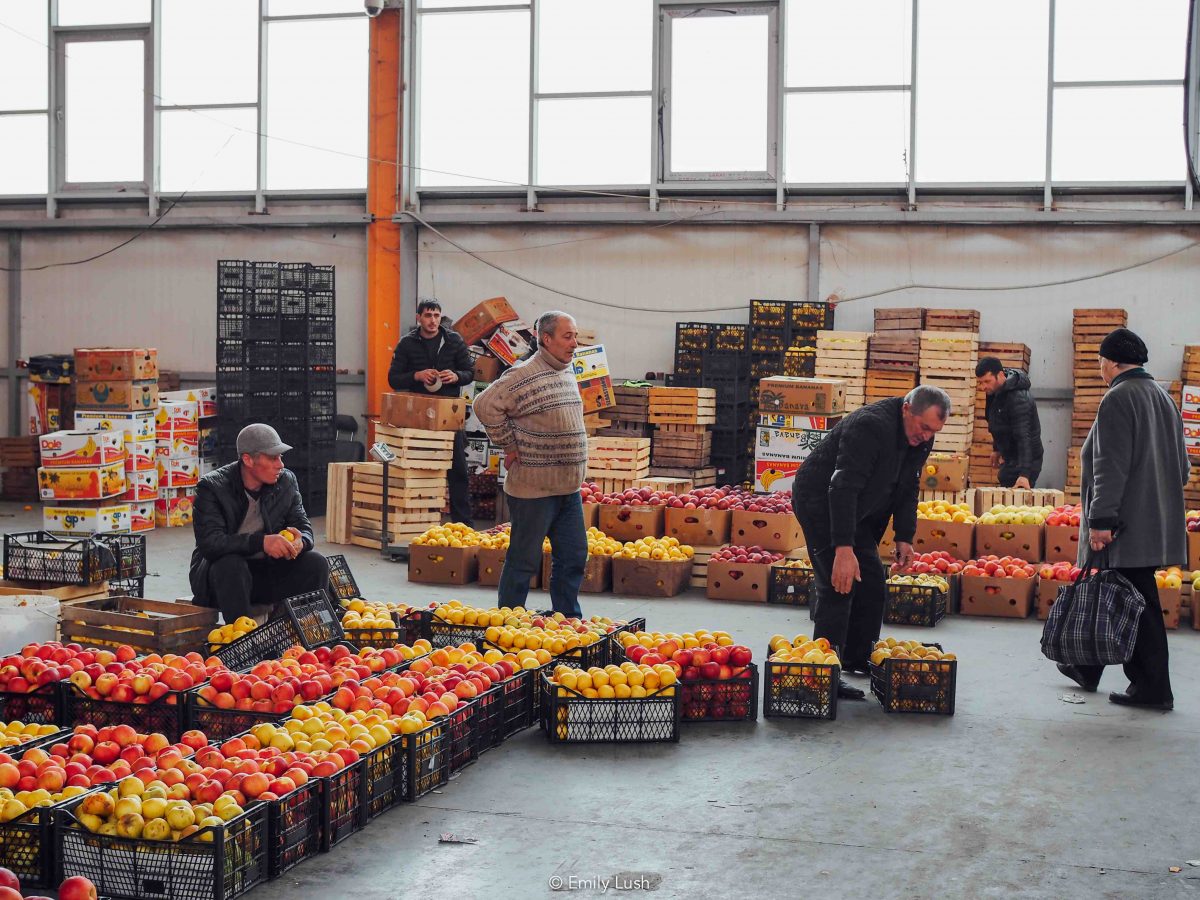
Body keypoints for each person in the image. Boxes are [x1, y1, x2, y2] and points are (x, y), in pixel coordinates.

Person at [1057, 328, 1190, 711]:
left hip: (1123, 524)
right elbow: (1181, 469)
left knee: (1138, 603)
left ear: (1111, 361)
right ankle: (1087, 667)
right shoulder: (1163, 398)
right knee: (1120, 594)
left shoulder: (1119, 397)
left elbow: (1109, 467)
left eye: (1101, 360)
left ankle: (1153, 688)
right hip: (1151, 522)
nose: (1100, 367)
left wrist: (1102, 520)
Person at [791, 386, 950, 699]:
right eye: (924, 427)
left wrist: (905, 535)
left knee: (874, 579)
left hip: (857, 508)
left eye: (934, 431)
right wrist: (843, 549)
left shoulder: (919, 438)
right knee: (840, 583)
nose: (927, 437)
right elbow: (842, 487)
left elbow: (908, 485)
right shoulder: (869, 426)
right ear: (907, 409)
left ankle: (856, 654)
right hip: (820, 502)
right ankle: (825, 671)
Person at [472, 311, 588, 617]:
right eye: (568, 336)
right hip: (534, 489)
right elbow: (484, 405)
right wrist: (509, 444)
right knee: (524, 559)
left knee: (574, 555)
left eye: (575, 335)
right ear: (546, 339)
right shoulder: (523, 373)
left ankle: (567, 618)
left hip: (568, 488)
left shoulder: (566, 369)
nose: (574, 343)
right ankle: (510, 620)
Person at [189, 424, 330, 624]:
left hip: (264, 573)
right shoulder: (212, 488)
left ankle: (299, 634)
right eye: (273, 458)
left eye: (281, 457)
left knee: (316, 563)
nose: (280, 464)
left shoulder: (286, 481)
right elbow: (210, 544)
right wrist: (261, 543)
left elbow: (304, 527)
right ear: (248, 459)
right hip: (220, 580)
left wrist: (301, 542)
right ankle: (242, 638)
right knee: (231, 565)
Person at [387, 299, 475, 526]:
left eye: (436, 315)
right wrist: (416, 376)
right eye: (428, 315)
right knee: (419, 469)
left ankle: (463, 525)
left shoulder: (453, 340)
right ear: (419, 318)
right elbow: (393, 379)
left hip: (448, 413)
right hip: (419, 416)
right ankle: (418, 523)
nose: (433, 320)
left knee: (457, 471)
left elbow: (470, 372)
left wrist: (456, 376)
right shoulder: (407, 344)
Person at [975, 357, 1044, 489]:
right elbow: (997, 422)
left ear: (1000, 375)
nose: (983, 387)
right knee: (1005, 485)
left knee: (1017, 503)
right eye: (980, 383)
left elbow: (1024, 437)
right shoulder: (995, 391)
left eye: (987, 381)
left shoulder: (1018, 399)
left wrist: (1024, 474)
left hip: (1025, 460)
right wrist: (996, 448)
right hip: (1011, 457)